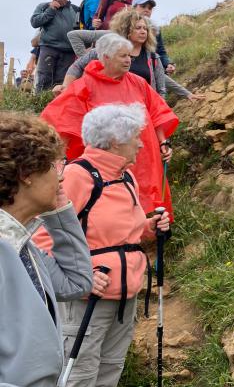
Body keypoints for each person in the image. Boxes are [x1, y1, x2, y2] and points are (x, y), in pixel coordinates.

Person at [35, 104, 170, 387]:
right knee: (79, 375)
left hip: (126, 293)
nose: (140, 143)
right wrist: (80, 275)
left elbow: (124, 233)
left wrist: (150, 227)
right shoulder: (77, 175)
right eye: (135, 136)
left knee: (110, 369)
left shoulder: (125, 176)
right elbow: (41, 238)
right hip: (88, 297)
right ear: (115, 141)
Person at [0, 112, 93, 387]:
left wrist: (60, 212)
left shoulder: (21, 244)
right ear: (26, 174)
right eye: (55, 166)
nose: (61, 178)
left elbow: (76, 282)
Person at [40, 33, 179, 217]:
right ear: (106, 57)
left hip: (145, 155)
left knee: (149, 201)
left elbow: (157, 112)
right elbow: (62, 120)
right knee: (113, 204)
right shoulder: (85, 85)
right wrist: (59, 159)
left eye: (130, 56)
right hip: (107, 161)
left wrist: (163, 142)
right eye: (123, 56)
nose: (129, 60)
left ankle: (151, 235)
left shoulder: (138, 83)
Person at [58, 9, 200, 100]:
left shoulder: (152, 57)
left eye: (145, 29)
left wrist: (187, 94)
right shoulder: (109, 49)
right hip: (107, 108)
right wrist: (66, 88)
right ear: (127, 29)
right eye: (138, 28)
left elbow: (161, 82)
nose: (143, 31)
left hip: (143, 113)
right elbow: (77, 66)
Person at [30, 0, 80, 92]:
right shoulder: (43, 7)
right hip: (48, 47)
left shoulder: (76, 10)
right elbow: (34, 22)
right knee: (44, 77)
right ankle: (40, 104)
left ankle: (56, 105)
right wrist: (50, 10)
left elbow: (80, 29)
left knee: (61, 80)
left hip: (68, 50)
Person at [132, 0, 174, 73]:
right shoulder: (126, 26)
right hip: (131, 68)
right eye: (143, 6)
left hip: (152, 69)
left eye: (150, 8)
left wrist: (168, 64)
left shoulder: (155, 29)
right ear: (133, 8)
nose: (146, 10)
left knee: (176, 86)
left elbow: (161, 51)